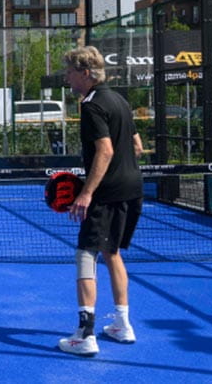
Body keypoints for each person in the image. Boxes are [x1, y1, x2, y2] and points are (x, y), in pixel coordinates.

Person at [57, 46, 144, 357]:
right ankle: (122, 324)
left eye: (69, 72)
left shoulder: (92, 105)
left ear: (85, 73)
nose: (66, 77)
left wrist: (86, 192)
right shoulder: (119, 100)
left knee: (85, 254)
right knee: (112, 252)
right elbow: (137, 146)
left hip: (106, 195)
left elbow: (105, 151)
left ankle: (85, 333)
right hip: (132, 189)